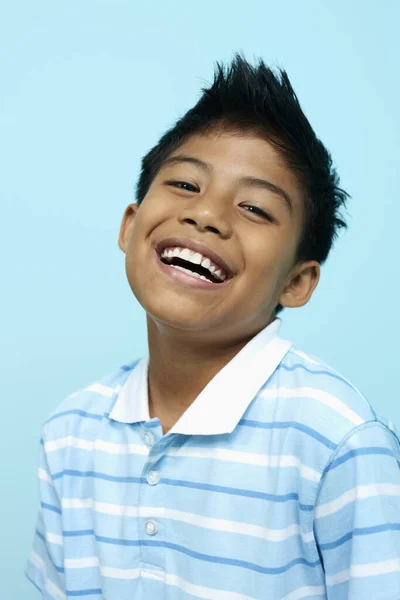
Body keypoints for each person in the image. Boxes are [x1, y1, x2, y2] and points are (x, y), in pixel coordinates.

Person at [26, 54, 400, 600]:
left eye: (254, 208)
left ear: (297, 281)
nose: (206, 215)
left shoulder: (337, 442)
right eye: (183, 183)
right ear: (130, 227)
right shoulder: (70, 433)